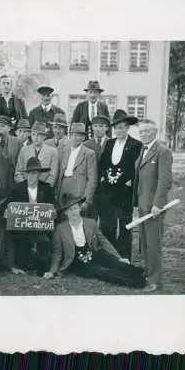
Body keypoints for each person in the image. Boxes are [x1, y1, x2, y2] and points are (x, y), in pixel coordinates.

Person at [43, 194, 146, 288]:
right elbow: (58, 253)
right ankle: (136, 282)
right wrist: (52, 271)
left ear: (79, 209)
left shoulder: (91, 223)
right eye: (69, 210)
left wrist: (118, 258)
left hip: (94, 252)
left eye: (75, 209)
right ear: (65, 213)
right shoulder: (60, 229)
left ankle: (140, 272)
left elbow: (104, 242)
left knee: (115, 263)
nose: (73, 212)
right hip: (78, 261)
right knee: (101, 271)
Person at [133, 119, 173, 293]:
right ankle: (148, 274)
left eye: (146, 132)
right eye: (141, 132)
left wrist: (158, 204)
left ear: (154, 132)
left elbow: (165, 180)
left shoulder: (162, 152)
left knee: (153, 243)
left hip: (154, 208)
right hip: (142, 205)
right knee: (144, 242)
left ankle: (155, 280)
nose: (143, 135)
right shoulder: (143, 150)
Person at [97, 109, 142, 261]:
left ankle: (124, 257)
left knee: (124, 224)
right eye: (116, 128)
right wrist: (103, 177)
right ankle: (110, 256)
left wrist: (130, 180)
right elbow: (102, 163)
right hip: (108, 191)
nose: (119, 131)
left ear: (128, 128)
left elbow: (137, 168)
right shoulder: (109, 143)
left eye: (122, 127)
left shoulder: (136, 145)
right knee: (107, 224)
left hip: (125, 192)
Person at [9, 157, 56, 275]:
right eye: (29, 173)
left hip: (40, 227)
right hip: (22, 227)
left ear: (39, 175)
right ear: (26, 174)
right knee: (22, 256)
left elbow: (53, 207)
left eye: (34, 173)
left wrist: (53, 213)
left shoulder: (46, 188)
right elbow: (10, 208)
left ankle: (42, 265)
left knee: (44, 244)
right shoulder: (17, 188)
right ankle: (25, 262)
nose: (31, 176)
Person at [56, 123, 97, 219]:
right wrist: (57, 193)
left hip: (79, 193)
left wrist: (87, 200)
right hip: (63, 191)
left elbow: (92, 179)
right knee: (63, 220)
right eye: (73, 135)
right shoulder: (63, 151)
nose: (75, 138)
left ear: (83, 137)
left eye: (78, 135)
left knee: (78, 220)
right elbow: (59, 174)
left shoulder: (89, 154)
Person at [15, 122, 58, 188]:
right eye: (33, 134)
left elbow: (53, 175)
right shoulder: (23, 150)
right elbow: (18, 172)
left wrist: (44, 188)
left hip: (44, 190)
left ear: (44, 136)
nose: (35, 137)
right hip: (26, 189)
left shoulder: (53, 152)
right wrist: (24, 186)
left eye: (39, 135)